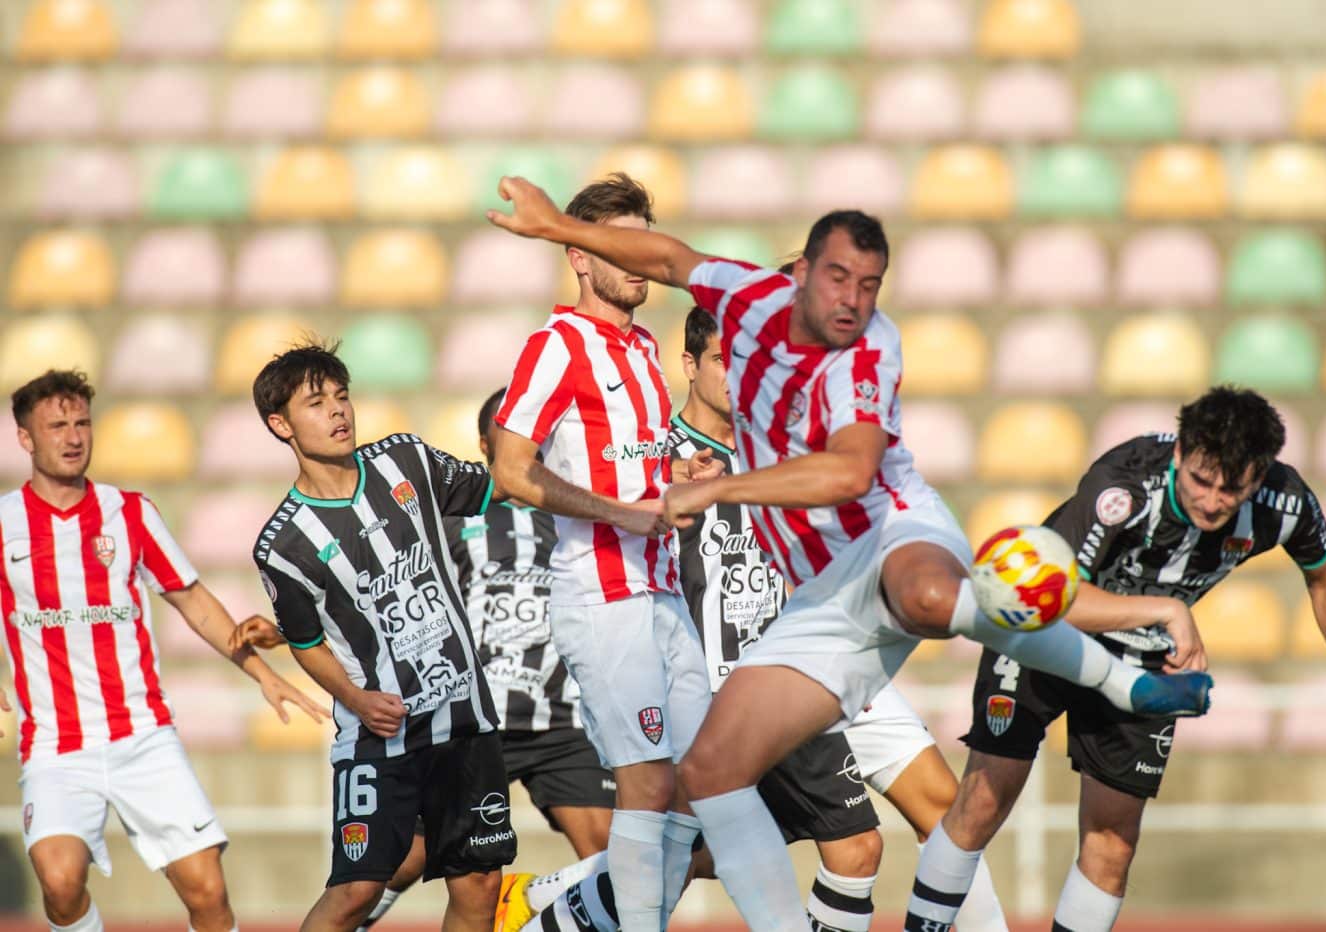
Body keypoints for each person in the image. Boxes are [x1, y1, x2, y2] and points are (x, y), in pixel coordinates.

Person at [484, 175, 1213, 930]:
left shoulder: (869, 347)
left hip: (890, 534)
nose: (853, 301)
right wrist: (547, 229)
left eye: (871, 285)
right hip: (812, 601)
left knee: (932, 606)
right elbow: (668, 257)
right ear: (795, 277)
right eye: (838, 278)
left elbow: (850, 472)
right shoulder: (743, 300)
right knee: (710, 776)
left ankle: (1121, 683)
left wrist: (715, 491)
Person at [521, 307, 1010, 932]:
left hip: (827, 645)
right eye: (723, 361)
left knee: (941, 806)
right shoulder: (661, 456)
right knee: (715, 852)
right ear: (691, 365)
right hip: (748, 679)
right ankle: (583, 893)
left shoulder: (780, 442)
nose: (738, 376)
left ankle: (583, 886)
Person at [934, 385, 1326, 931]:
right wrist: (1167, 611)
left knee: (1112, 843)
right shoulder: (1123, 484)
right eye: (1202, 480)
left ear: (1261, 476)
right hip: (1044, 635)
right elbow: (1053, 599)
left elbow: (1325, 578)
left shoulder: (1286, 502)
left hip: (1143, 661)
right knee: (986, 798)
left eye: (1233, 489)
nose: (1212, 500)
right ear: (1179, 452)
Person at [0, 369, 326, 932]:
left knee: (207, 890)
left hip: (142, 734)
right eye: (56, 425)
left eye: (82, 422)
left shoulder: (128, 512)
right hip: (56, 744)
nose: (73, 436)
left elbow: (193, 600)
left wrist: (261, 673)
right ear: (26, 437)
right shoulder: (5, 524)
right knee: (58, 881)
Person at [489, 174, 714, 932]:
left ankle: (553, 911)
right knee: (649, 791)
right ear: (581, 256)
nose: (640, 260)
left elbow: (631, 457)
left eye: (646, 241)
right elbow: (511, 469)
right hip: (603, 597)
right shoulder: (555, 346)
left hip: (661, 594)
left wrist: (677, 474)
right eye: (620, 244)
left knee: (707, 788)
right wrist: (621, 511)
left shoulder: (645, 346)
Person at [249, 343, 516, 932]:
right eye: (316, 403)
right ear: (280, 424)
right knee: (356, 891)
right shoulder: (283, 545)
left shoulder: (407, 460)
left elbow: (500, 484)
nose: (339, 412)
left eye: (342, 397)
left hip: (462, 719)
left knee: (479, 881)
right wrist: (357, 699)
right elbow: (306, 641)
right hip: (380, 735)